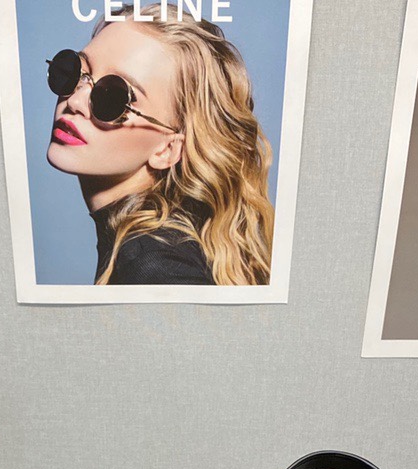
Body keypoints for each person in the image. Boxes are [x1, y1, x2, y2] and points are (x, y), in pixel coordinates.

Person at [45, 4, 274, 286]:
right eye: (74, 72)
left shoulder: (154, 268)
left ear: (167, 149)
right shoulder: (151, 252)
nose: (75, 102)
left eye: (113, 96)